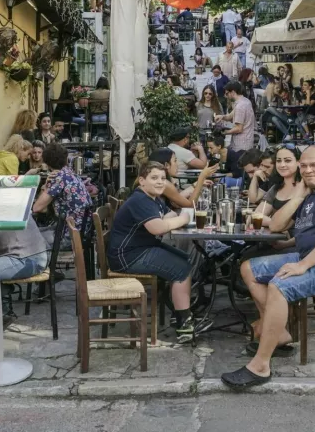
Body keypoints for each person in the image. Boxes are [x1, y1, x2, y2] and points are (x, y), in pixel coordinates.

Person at [222, 146, 315, 390]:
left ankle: (260, 365)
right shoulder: (309, 192)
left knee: (279, 286)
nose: (308, 170)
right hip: (308, 255)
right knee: (248, 268)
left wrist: (302, 265)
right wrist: (298, 196)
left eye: (314, 165)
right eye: (304, 166)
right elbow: (276, 225)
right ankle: (279, 334)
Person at [108, 161, 209, 341]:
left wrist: (168, 220)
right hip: (128, 256)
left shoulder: (153, 198)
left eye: (163, 178)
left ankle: (179, 314)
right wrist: (184, 218)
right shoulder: (140, 200)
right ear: (142, 181)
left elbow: (169, 215)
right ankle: (184, 326)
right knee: (181, 269)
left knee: (185, 260)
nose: (160, 182)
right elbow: (158, 228)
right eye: (154, 178)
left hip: (139, 248)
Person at [32, 143, 94, 240]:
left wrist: (46, 186)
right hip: (83, 229)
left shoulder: (58, 178)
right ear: (66, 159)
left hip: (69, 234)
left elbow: (36, 208)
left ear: (47, 163)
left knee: (30, 238)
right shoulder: (70, 173)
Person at [149, 148, 218, 210]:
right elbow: (190, 205)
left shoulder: (161, 180)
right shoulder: (163, 183)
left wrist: (195, 184)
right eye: (175, 161)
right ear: (167, 165)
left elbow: (176, 200)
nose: (177, 164)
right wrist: (201, 177)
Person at [215, 81, 255, 176]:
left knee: (240, 169)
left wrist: (225, 132)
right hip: (246, 140)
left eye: (227, 93)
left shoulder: (240, 106)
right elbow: (230, 116)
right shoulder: (245, 101)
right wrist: (222, 117)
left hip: (241, 144)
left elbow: (239, 128)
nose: (225, 96)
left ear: (233, 92)